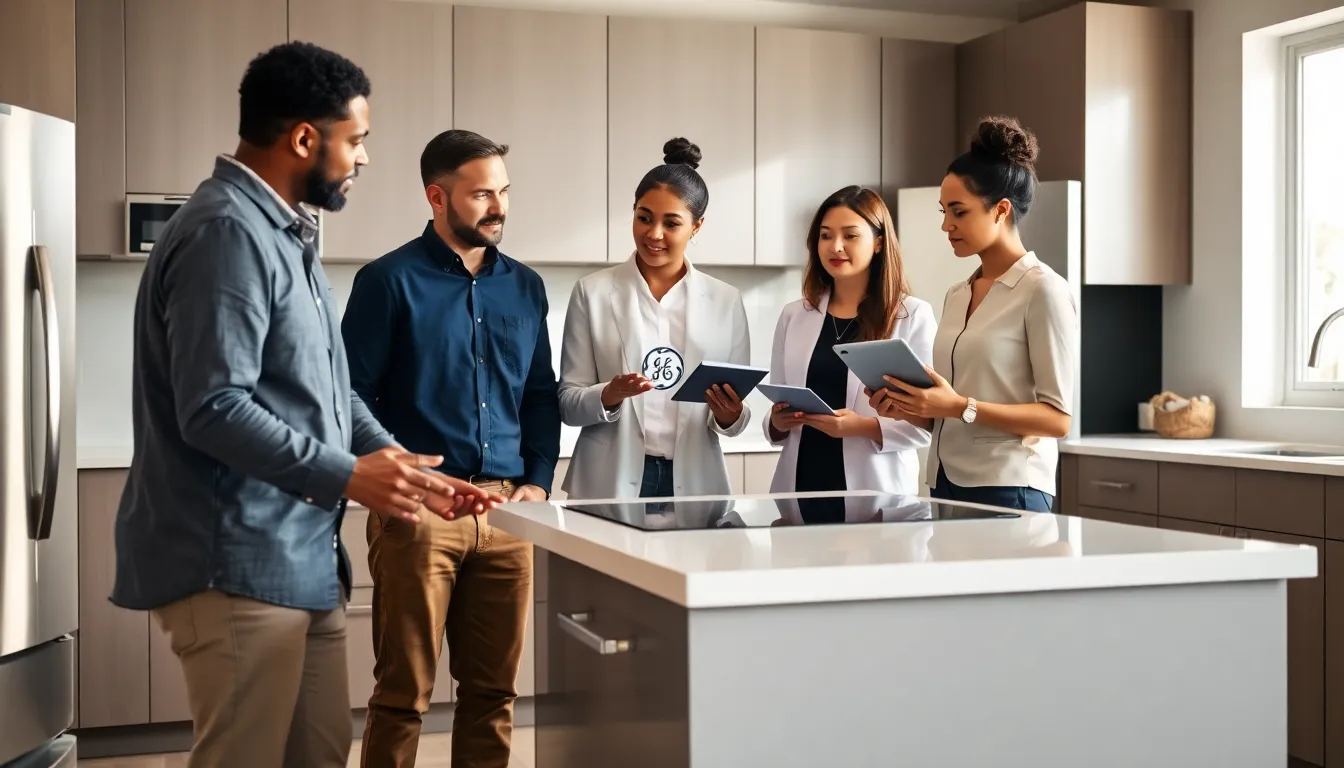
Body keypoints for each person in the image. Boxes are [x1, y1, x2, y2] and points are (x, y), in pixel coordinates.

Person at [111, 42, 498, 768]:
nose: (364, 159)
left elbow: (327, 386)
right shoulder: (227, 231)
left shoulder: (287, 232)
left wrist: (395, 462)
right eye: (356, 141)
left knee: (317, 754)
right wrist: (351, 477)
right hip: (234, 560)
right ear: (303, 139)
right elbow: (214, 407)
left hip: (298, 560)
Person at [341, 128, 561, 768]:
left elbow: (540, 395)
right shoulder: (386, 281)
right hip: (420, 510)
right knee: (403, 694)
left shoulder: (525, 287)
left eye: (504, 192)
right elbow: (349, 394)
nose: (499, 207)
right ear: (437, 196)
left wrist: (539, 481)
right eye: (482, 194)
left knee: (494, 693)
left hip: (508, 510)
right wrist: (400, 472)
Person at [868, 116, 1078, 512]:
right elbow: (951, 409)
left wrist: (958, 406)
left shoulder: (1043, 290)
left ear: (1000, 210)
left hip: (1010, 487)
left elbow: (1057, 419)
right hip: (945, 482)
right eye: (943, 211)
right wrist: (913, 408)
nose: (947, 225)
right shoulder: (957, 294)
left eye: (959, 212)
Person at [558, 138, 752, 499]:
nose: (654, 234)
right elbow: (568, 404)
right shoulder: (592, 292)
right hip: (607, 480)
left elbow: (736, 422)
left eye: (672, 223)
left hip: (694, 482)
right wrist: (610, 394)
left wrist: (729, 414)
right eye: (644, 217)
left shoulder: (726, 302)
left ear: (696, 227)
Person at [763, 186, 935, 522]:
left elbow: (926, 424)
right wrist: (777, 421)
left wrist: (863, 427)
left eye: (850, 235)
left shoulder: (911, 316)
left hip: (878, 497)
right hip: (802, 491)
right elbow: (778, 404)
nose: (835, 246)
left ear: (880, 241)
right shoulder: (794, 315)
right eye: (825, 236)